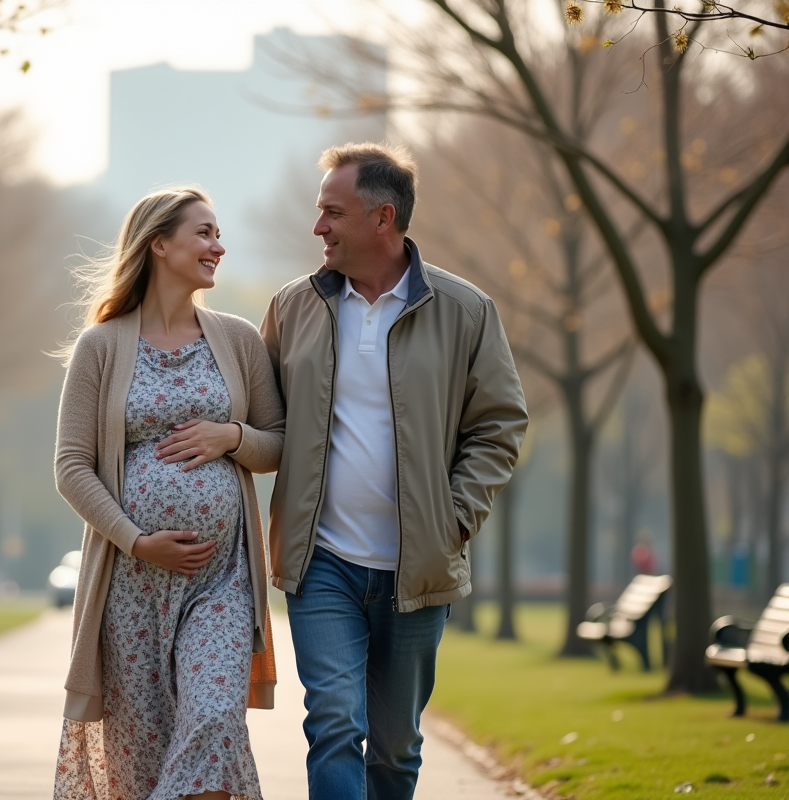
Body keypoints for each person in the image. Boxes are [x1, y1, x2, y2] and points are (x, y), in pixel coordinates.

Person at [260, 143, 528, 799]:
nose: (318, 227)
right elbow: (265, 423)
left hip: (418, 567)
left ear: (383, 218)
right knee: (333, 724)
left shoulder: (466, 311)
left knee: (395, 750)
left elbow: (499, 426)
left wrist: (453, 520)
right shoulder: (294, 308)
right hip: (319, 561)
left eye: (332, 211)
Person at [53, 187, 285, 800]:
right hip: (130, 586)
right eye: (204, 233)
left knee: (213, 721)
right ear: (159, 243)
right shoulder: (100, 347)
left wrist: (231, 435)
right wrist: (136, 541)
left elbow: (280, 445)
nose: (219, 246)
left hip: (221, 580)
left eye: (218, 234)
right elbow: (72, 466)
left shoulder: (236, 340)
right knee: (143, 752)